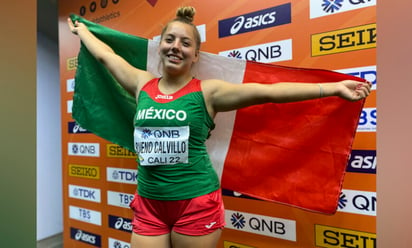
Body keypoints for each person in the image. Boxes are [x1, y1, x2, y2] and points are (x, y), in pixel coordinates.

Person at [68, 6, 371, 248]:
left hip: (195, 202)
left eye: (186, 43)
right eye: (170, 39)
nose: (176, 47)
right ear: (160, 46)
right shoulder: (141, 84)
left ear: (195, 55)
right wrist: (83, 30)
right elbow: (106, 57)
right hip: (149, 204)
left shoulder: (208, 92)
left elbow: (270, 92)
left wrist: (332, 89)